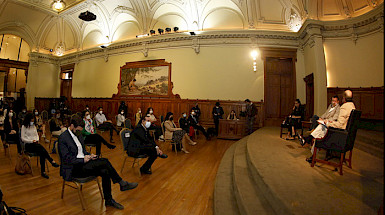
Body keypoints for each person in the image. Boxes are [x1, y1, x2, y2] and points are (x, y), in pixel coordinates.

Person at [58, 117, 138, 210]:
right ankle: (121, 183)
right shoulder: (63, 138)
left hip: (83, 164)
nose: (79, 132)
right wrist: (83, 159)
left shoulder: (78, 135)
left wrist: (89, 155)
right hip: (73, 168)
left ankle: (109, 200)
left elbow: (82, 151)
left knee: (105, 171)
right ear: (72, 126)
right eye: (78, 130)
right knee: (104, 161)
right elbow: (66, 159)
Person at [300, 90, 356, 163]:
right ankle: (308, 140)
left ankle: (309, 142)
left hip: (340, 135)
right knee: (321, 127)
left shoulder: (344, 107)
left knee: (320, 131)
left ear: (344, 98)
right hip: (346, 136)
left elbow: (339, 124)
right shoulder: (352, 106)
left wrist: (328, 123)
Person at [21, 114, 60, 179]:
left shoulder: (33, 126)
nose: (32, 122)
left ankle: (43, 171)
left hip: (35, 144)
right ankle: (51, 161)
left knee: (42, 152)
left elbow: (36, 135)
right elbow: (23, 138)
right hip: (28, 145)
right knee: (41, 150)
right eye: (31, 121)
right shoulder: (24, 127)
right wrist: (31, 141)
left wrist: (36, 140)